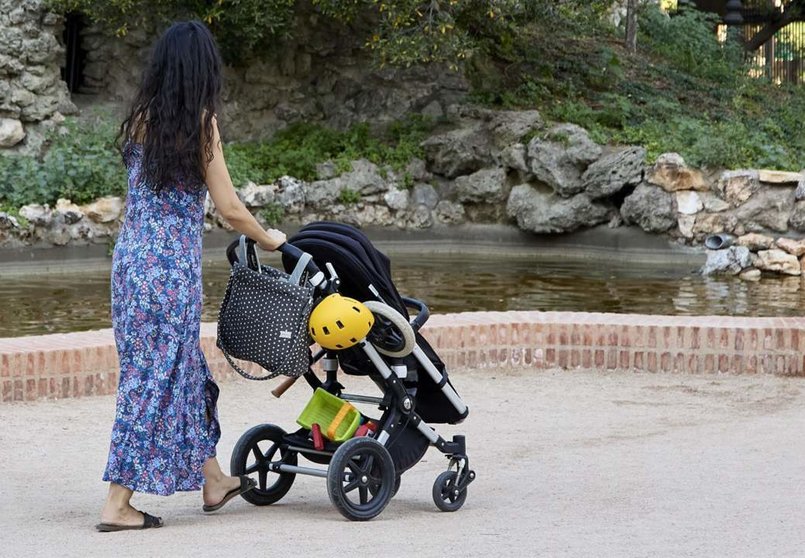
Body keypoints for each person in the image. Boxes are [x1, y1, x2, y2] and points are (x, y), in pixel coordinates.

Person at [96, 20, 286, 532]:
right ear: (203, 71)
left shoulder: (141, 119)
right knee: (153, 380)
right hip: (169, 274)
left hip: (131, 266)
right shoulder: (200, 125)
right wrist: (271, 239)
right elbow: (231, 208)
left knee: (182, 370)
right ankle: (118, 502)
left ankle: (214, 479)